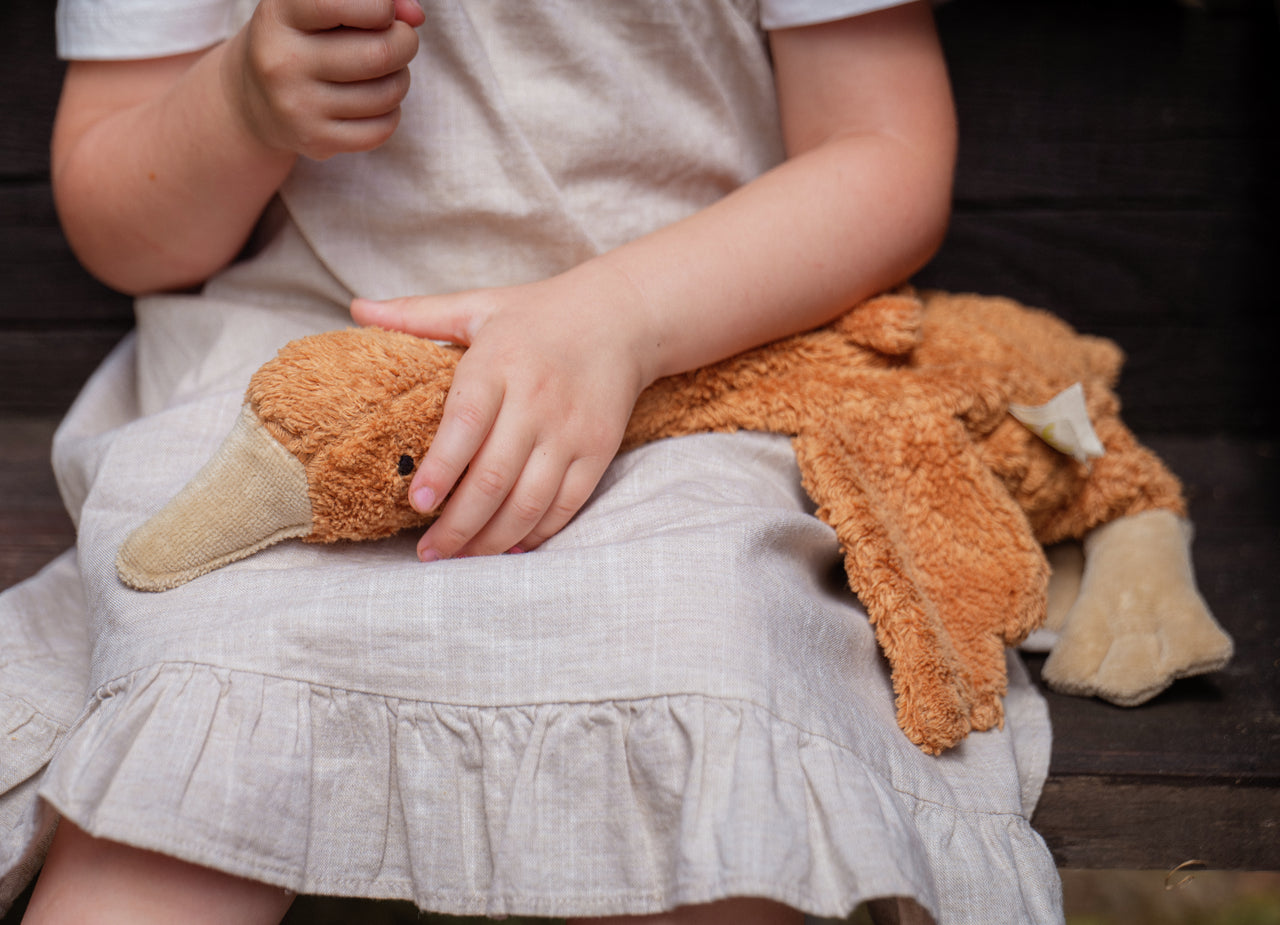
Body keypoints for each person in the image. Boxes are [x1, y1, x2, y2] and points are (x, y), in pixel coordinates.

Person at [1, 0, 1063, 923]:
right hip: (307, 373)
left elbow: (882, 148)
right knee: (200, 708)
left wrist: (624, 318)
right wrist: (239, 105)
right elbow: (126, 229)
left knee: (700, 663)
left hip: (688, 373)